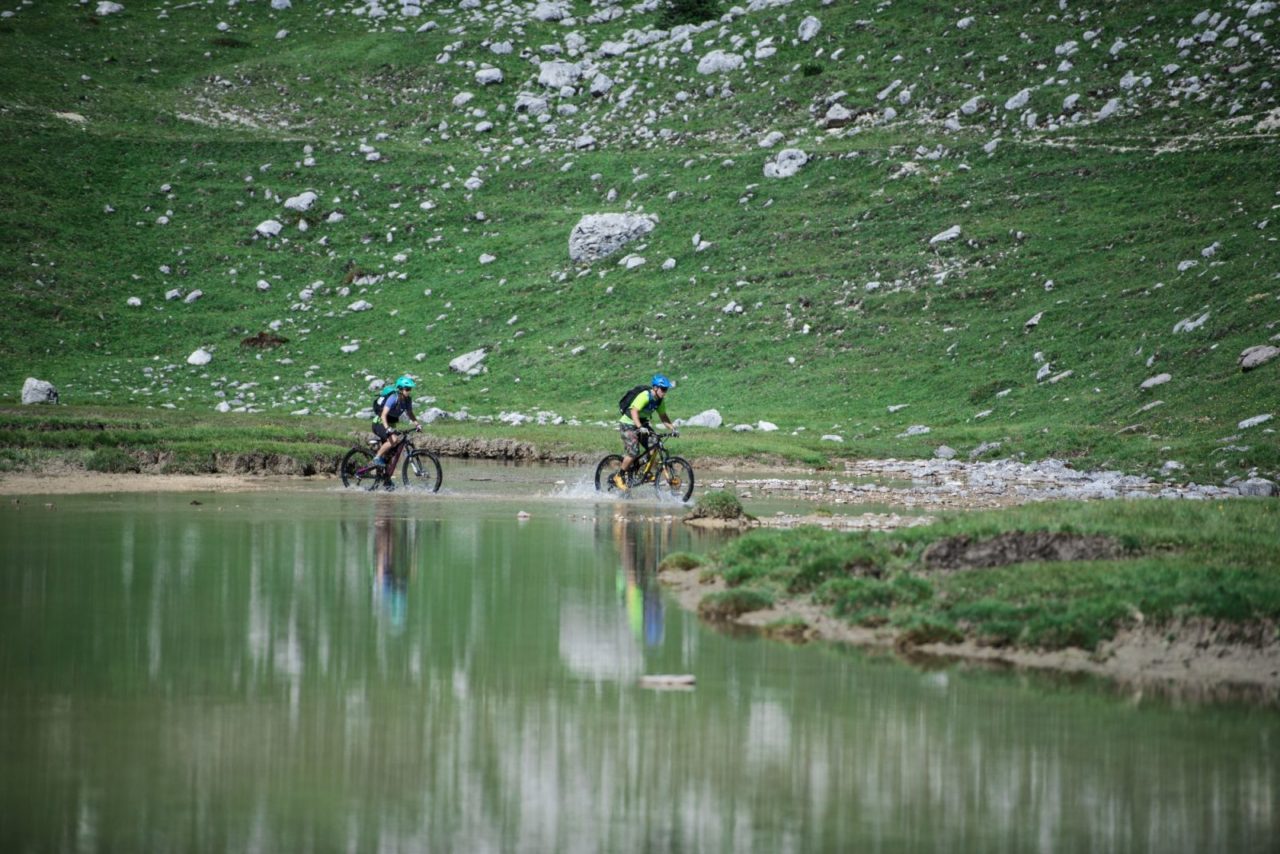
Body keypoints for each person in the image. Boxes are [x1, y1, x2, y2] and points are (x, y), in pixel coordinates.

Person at [613, 374, 677, 491]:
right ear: (655, 388)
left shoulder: (659, 401)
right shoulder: (645, 396)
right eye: (663, 389)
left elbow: (663, 416)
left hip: (642, 424)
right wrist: (640, 427)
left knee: (655, 445)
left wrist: (672, 428)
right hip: (628, 423)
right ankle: (619, 475)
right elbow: (634, 411)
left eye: (666, 389)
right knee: (633, 452)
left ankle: (644, 472)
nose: (664, 392)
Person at [371, 375, 422, 469]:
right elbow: (383, 415)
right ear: (400, 389)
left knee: (389, 455)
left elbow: (410, 413)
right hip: (380, 423)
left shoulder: (407, 400)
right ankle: (376, 458)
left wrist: (417, 424)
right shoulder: (393, 398)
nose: (409, 391)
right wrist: (387, 428)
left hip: (390, 424)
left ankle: (386, 480)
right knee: (394, 440)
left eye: (410, 389)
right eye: (407, 389)